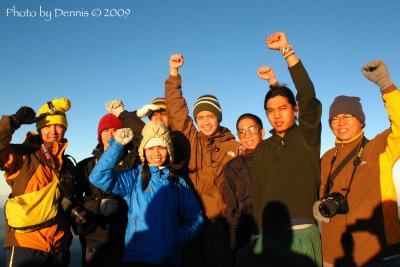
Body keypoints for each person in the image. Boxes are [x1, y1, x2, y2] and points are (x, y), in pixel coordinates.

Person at [313, 60, 400, 266]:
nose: (340, 122)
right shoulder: (327, 157)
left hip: (377, 252)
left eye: (348, 116)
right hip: (333, 253)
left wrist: (385, 84)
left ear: (361, 121)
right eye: (335, 118)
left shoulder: (379, 147)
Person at [89, 121, 204, 267]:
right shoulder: (133, 178)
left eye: (161, 147)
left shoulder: (177, 182)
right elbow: (98, 177)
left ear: (168, 150)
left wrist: (177, 238)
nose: (156, 153)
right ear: (143, 151)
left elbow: (195, 216)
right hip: (137, 258)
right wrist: (117, 145)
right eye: (150, 148)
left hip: (169, 259)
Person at [252, 32, 322, 266]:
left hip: (303, 234)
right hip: (269, 238)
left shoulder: (307, 136)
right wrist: (259, 231)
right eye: (271, 111)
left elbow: (308, 95)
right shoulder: (263, 148)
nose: (277, 115)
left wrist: (287, 51)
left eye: (283, 108)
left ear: (296, 109)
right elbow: (259, 194)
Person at [165, 53, 240, 267]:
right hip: (191, 223)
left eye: (210, 116)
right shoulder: (191, 140)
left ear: (218, 117)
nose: (206, 122)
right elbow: (176, 109)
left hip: (220, 225)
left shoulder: (232, 146)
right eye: (200, 117)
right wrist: (174, 73)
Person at [0, 98, 76, 267]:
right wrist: (12, 122)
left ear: (65, 128)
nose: (53, 131)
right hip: (26, 245)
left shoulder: (67, 164)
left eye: (59, 125)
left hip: (59, 246)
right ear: (39, 128)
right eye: (47, 126)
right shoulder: (22, 155)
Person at [76, 104, 145, 267]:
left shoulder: (132, 161)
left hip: (126, 238)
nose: (111, 134)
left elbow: (145, 138)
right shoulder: (85, 166)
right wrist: (97, 206)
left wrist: (129, 115)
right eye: (106, 130)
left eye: (116, 130)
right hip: (95, 241)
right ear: (99, 136)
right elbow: (74, 200)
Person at [223, 113, 265, 252]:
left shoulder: (276, 159)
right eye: (242, 132)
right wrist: (234, 240)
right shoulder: (232, 167)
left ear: (262, 133)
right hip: (246, 234)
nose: (247, 135)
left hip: (274, 231)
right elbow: (231, 207)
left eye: (252, 130)